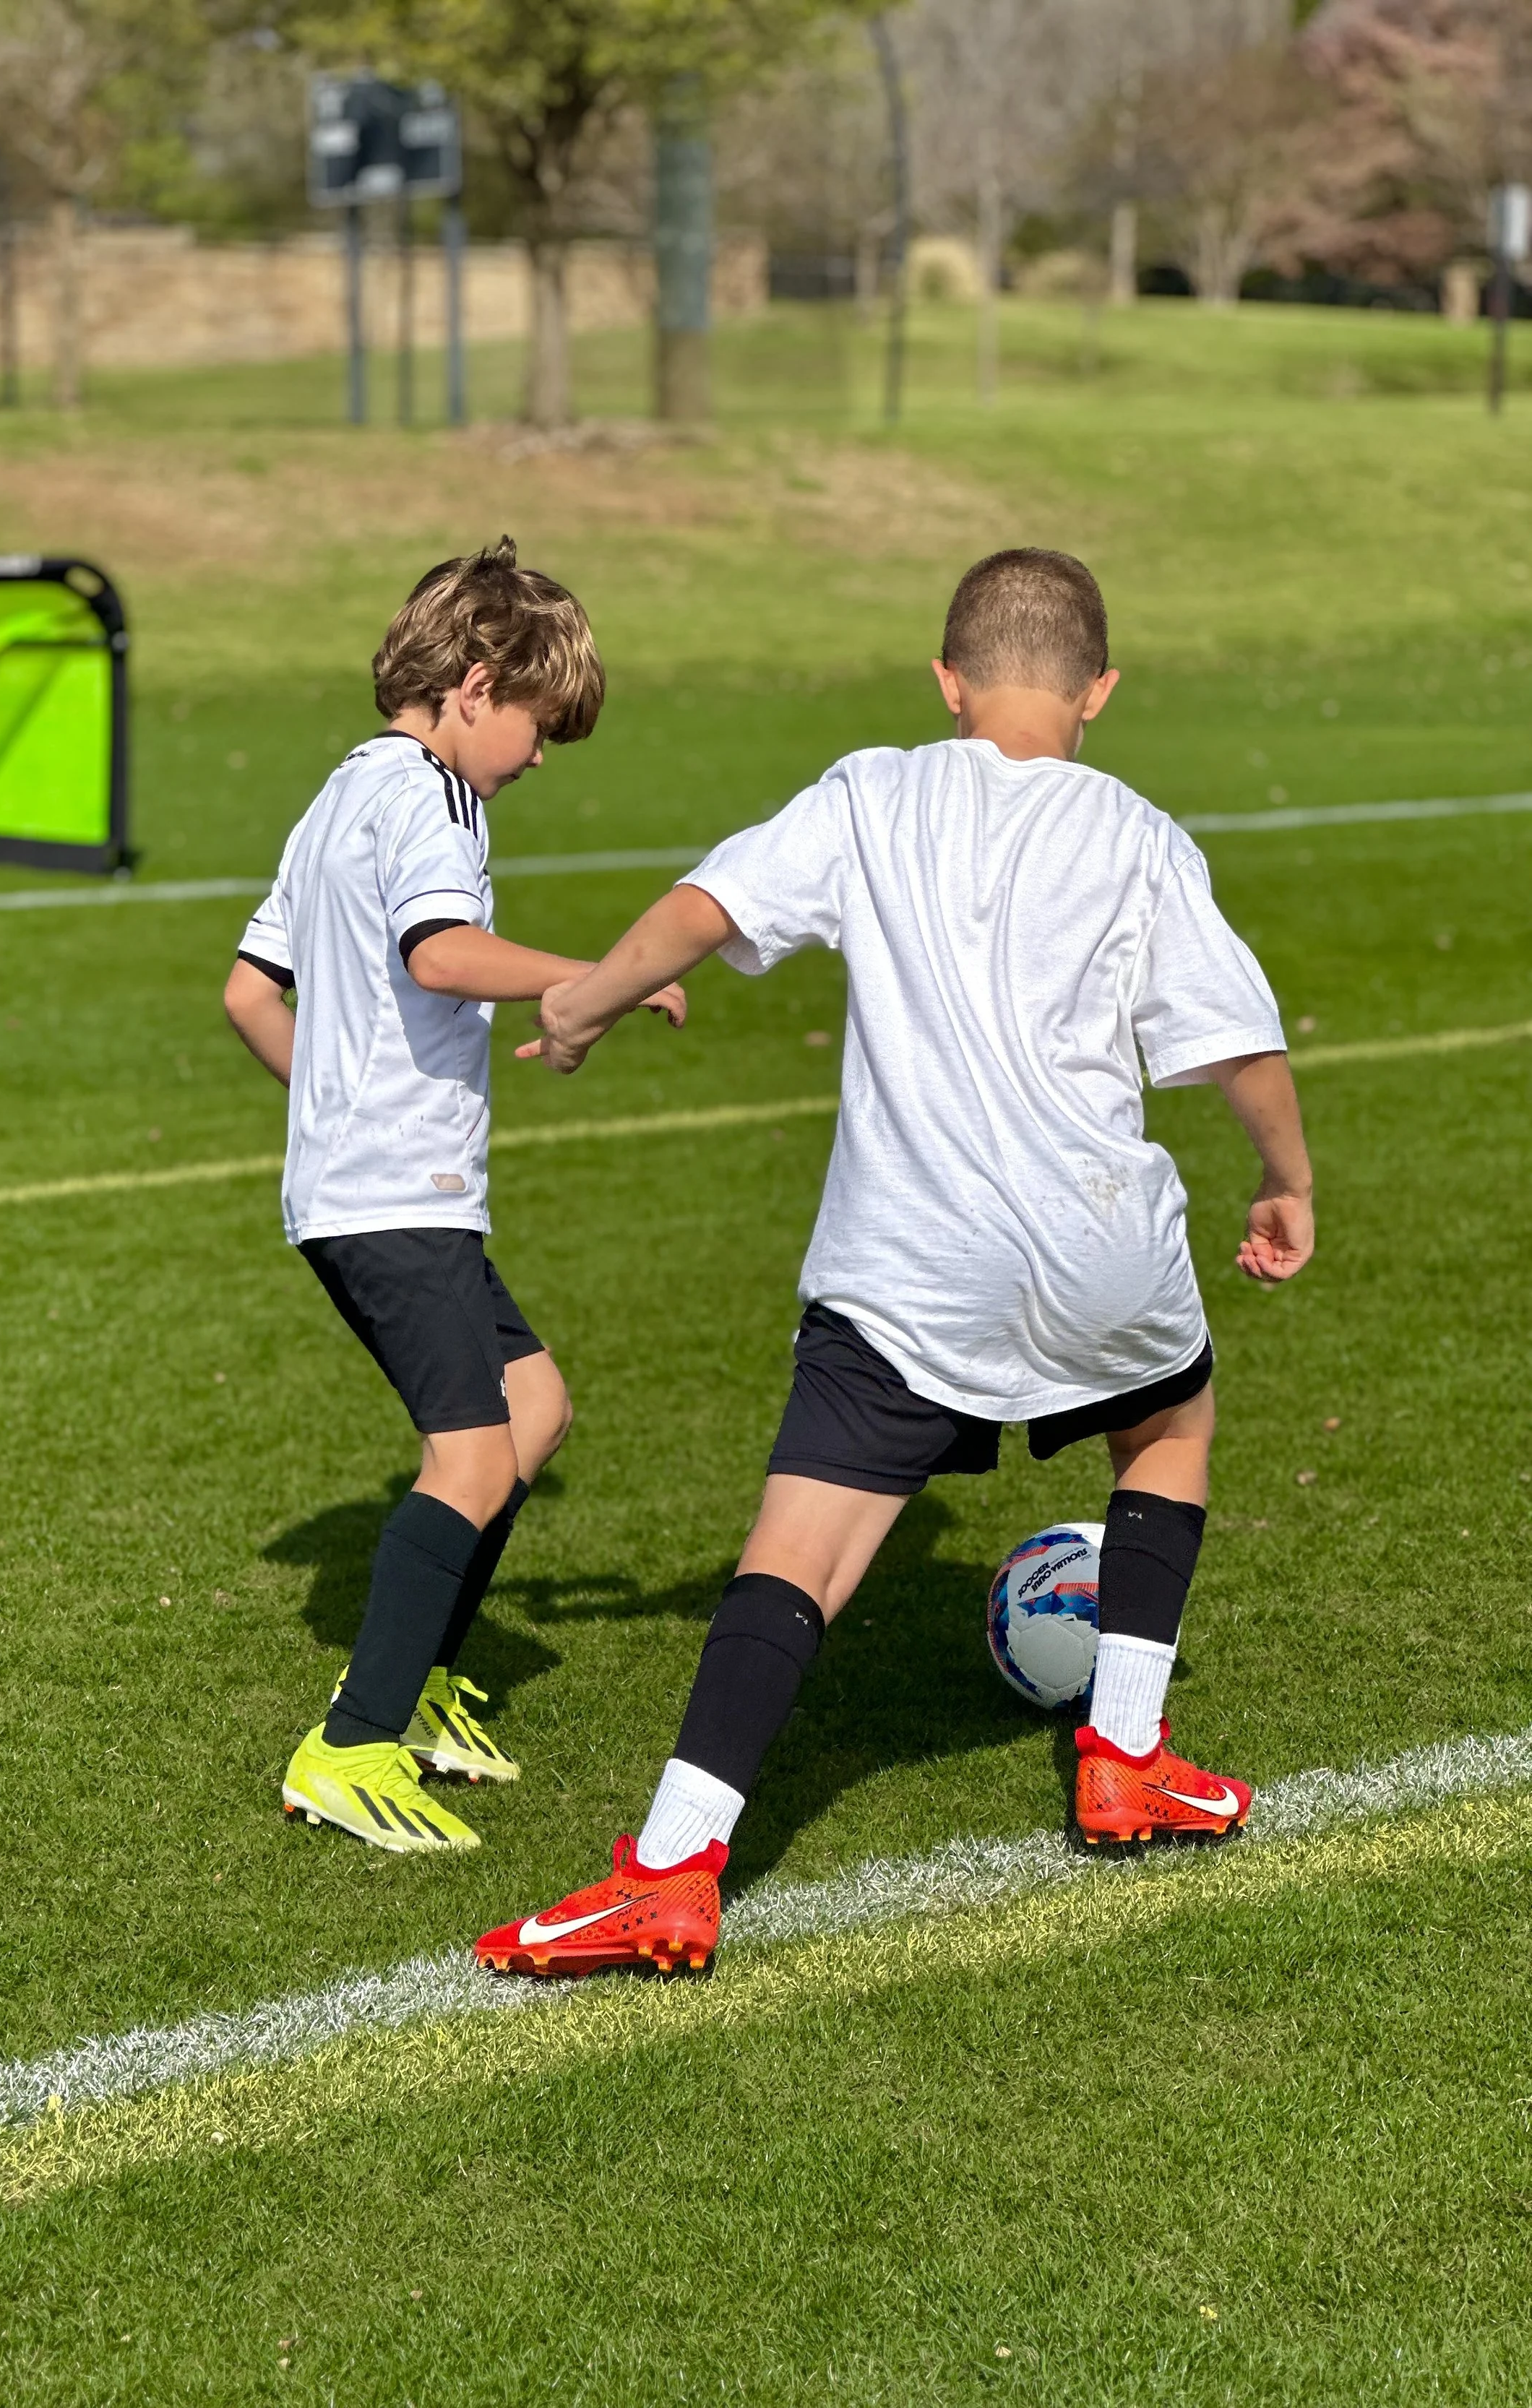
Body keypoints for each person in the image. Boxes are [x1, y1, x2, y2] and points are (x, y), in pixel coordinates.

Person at [475, 546, 1312, 1975]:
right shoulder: (1140, 835)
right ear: (1098, 691)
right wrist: (1286, 1182)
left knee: (801, 1551)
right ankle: (1124, 1755)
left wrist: (585, 1003)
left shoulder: (872, 791)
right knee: (1170, 1423)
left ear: (946, 682)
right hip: (1097, 1241)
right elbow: (1238, 1045)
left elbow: (705, 909)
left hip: (910, 1262)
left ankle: (670, 1869)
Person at [225, 538, 684, 1854]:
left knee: (533, 1408)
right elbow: (439, 953)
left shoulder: (340, 792)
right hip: (395, 1194)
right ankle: (352, 1745)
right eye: (539, 726)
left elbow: (249, 993)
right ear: (478, 687)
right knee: (474, 1456)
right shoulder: (431, 794)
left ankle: (414, 1684)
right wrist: (595, 978)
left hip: (373, 1182)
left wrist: (336, 1106)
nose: (539, 758)